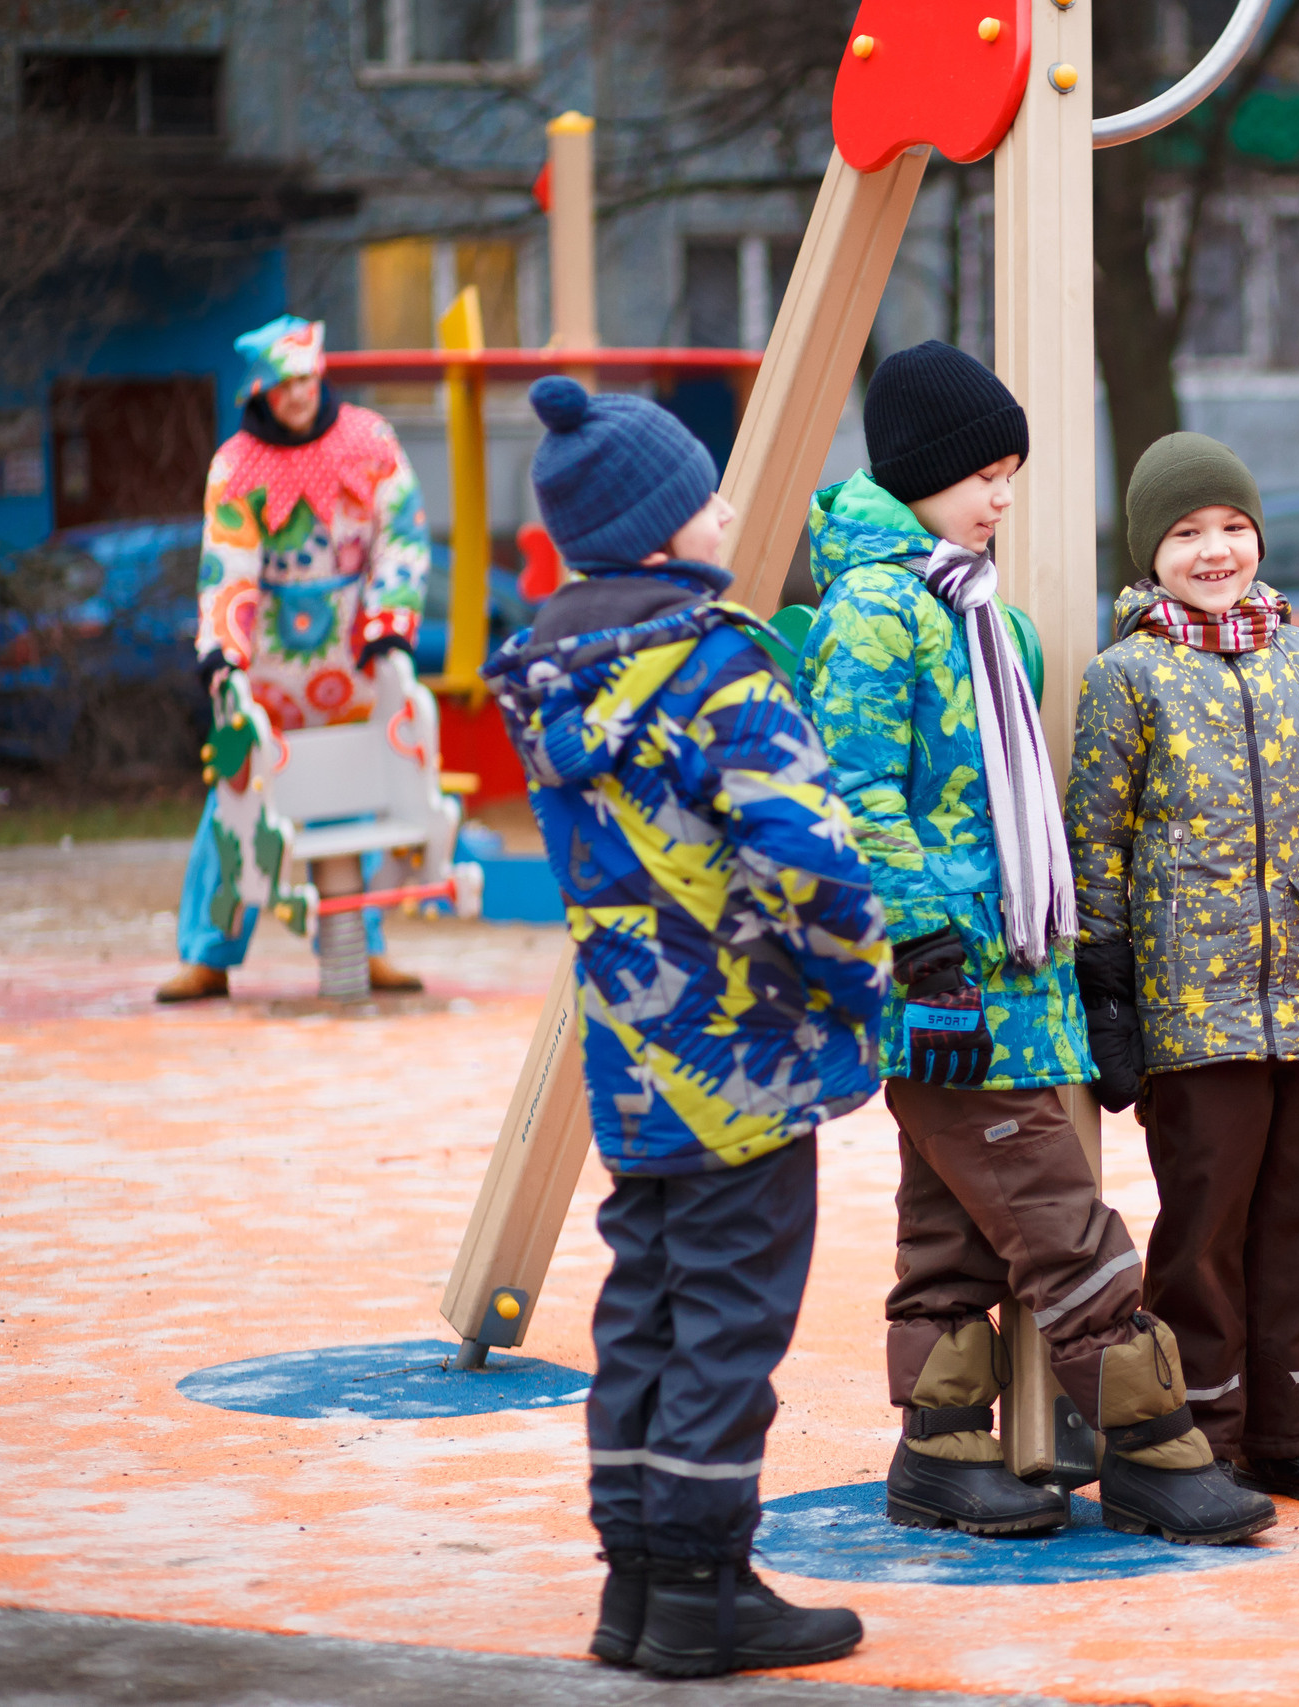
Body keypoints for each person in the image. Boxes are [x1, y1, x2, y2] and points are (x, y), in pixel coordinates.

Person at [799, 342, 1277, 1547]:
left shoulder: (975, 610)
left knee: (954, 1230)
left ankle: (942, 1449)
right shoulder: (876, 607)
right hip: (944, 981)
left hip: (1009, 981)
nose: (1000, 496)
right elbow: (858, 786)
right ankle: (1154, 1452)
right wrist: (919, 939)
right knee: (1066, 1230)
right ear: (917, 473)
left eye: (1011, 472)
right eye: (980, 474)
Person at [487, 376, 887, 1675]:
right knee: (728, 1319)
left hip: (636, 1060)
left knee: (647, 1306)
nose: (726, 510)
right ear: (666, 531)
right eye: (708, 494)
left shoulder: (549, 680)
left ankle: (638, 1582)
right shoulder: (717, 666)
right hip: (749, 1049)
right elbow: (809, 854)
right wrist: (861, 979)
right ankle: (704, 1591)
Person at [1064, 431, 1299, 1506]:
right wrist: (1107, 991)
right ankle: (1200, 1436)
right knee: (1203, 1227)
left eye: (1231, 527)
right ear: (1147, 552)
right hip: (1190, 1003)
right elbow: (1097, 841)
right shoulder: (1127, 678)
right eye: (1185, 533)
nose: (1214, 551)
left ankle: (1294, 1428)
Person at [158, 315, 431, 1002]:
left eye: (308, 378)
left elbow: (402, 532)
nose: (301, 393)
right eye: (286, 383)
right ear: (264, 388)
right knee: (239, 799)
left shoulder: (370, 441)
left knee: (347, 799)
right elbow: (228, 562)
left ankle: (360, 948)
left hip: (350, 654)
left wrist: (389, 623)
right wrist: (224, 650)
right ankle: (209, 953)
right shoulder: (237, 463)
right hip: (269, 669)